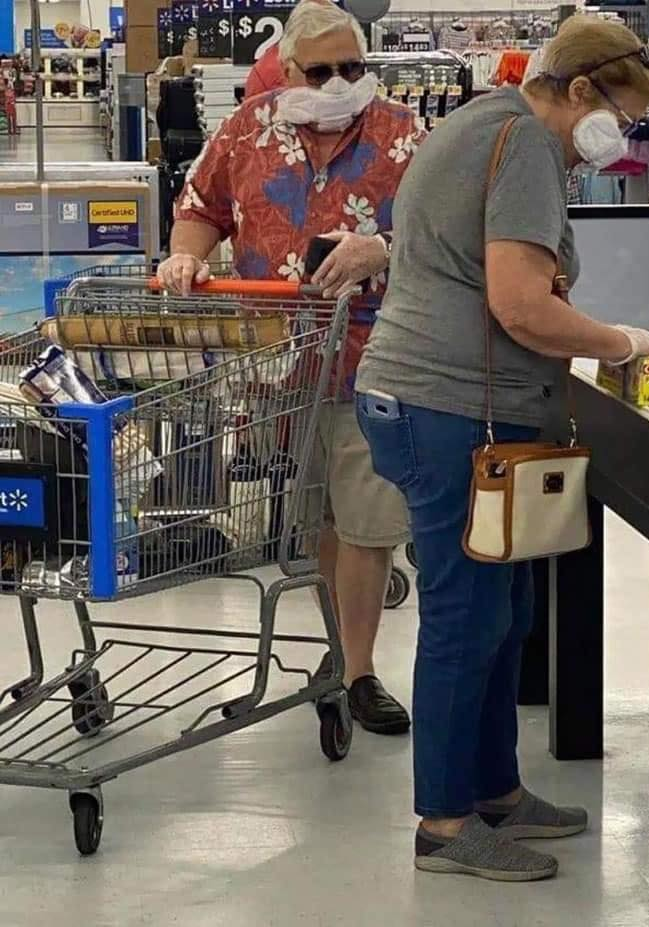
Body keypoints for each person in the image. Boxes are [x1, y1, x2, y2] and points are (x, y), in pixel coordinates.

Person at [356, 17, 649, 880]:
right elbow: (522, 306)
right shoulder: (527, 146)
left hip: (437, 401)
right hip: (449, 408)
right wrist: (622, 342)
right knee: (466, 618)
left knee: (502, 613)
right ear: (580, 90)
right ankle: (445, 823)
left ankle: (493, 788)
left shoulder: (484, 121)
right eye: (619, 114)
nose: (620, 136)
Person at [158, 0, 426, 736]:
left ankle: (360, 671)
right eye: (321, 70)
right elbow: (201, 205)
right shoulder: (249, 128)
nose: (339, 82)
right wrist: (185, 255)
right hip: (280, 364)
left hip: (377, 360)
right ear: (287, 70)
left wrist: (384, 248)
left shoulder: (405, 132)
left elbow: (450, 232)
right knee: (317, 523)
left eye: (352, 67)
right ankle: (339, 653)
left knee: (368, 523)